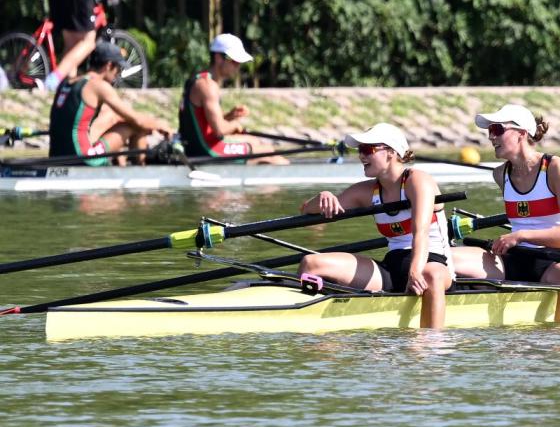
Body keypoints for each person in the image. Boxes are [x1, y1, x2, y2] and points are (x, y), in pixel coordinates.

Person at [297, 123, 454, 329]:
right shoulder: (366, 191)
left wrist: (415, 272)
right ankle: (306, 323)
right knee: (311, 263)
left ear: (391, 152)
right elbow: (306, 210)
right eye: (360, 150)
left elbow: (421, 233)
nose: (361, 156)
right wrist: (323, 197)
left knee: (431, 275)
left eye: (367, 149)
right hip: (392, 267)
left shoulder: (418, 181)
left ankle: (431, 341)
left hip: (432, 264)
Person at [451, 104, 560, 323]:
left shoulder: (555, 168)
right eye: (490, 131)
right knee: (446, 257)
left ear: (521, 133)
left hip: (557, 259)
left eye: (497, 129)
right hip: (515, 257)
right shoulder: (500, 174)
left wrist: (521, 236)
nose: (491, 137)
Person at [48, 41, 172, 166]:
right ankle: (141, 171)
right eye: (118, 68)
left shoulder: (67, 83)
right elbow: (137, 120)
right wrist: (160, 125)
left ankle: (121, 166)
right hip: (84, 159)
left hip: (55, 158)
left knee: (113, 117)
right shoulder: (98, 86)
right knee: (134, 126)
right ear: (108, 65)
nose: (118, 73)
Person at [178, 33, 287, 164]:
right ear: (218, 58)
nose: (238, 67)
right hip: (209, 150)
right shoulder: (208, 86)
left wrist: (230, 116)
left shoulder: (199, 79)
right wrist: (235, 125)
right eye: (234, 61)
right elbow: (220, 130)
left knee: (255, 141)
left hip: (196, 147)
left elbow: (206, 124)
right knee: (269, 152)